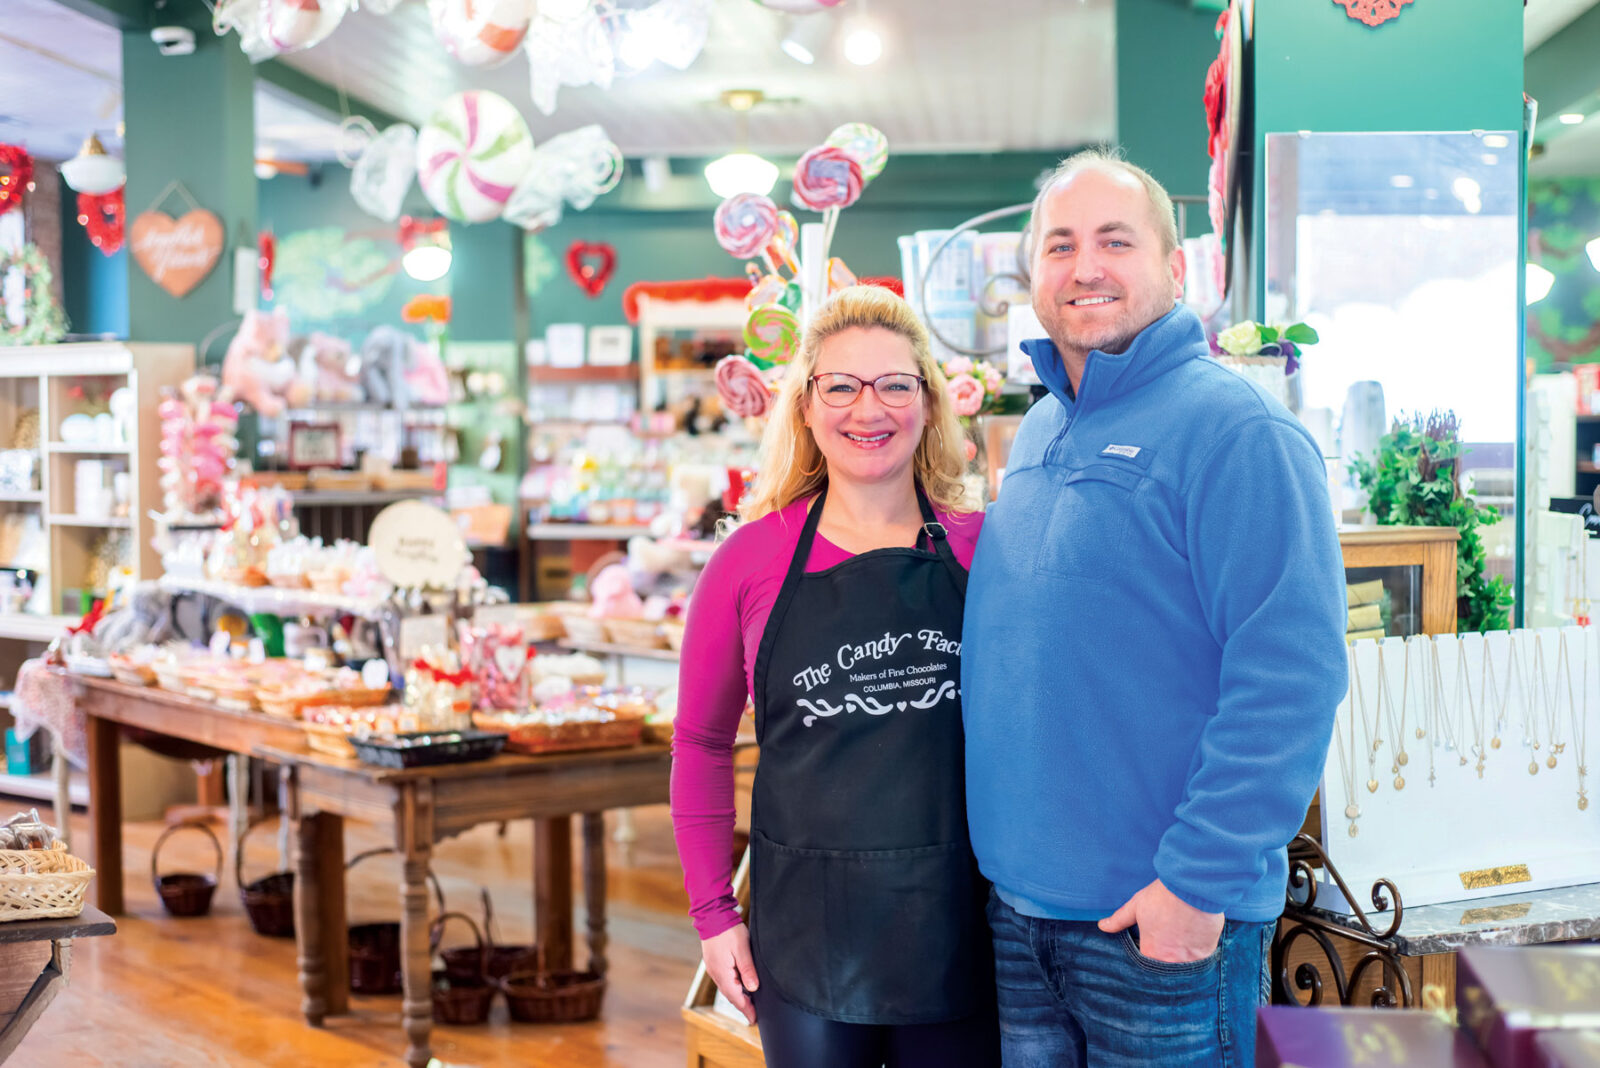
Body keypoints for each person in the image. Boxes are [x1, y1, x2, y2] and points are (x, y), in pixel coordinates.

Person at [961, 148, 1348, 1067]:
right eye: (1059, 245)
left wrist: (1197, 883)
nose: (1085, 266)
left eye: (1114, 240)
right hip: (1023, 917)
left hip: (1159, 928)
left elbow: (1289, 677)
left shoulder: (1240, 433)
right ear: (1034, 276)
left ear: (1177, 269)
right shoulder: (1046, 425)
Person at [671, 285, 999, 1068]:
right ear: (807, 409)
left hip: (958, 924)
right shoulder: (746, 561)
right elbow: (701, 742)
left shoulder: (984, 549)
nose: (868, 409)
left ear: (926, 403)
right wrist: (715, 915)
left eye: (894, 384)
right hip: (806, 934)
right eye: (841, 386)